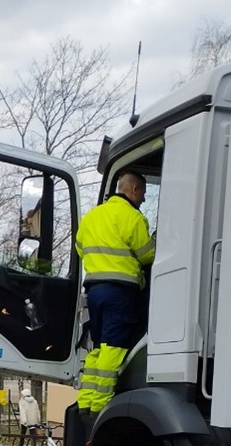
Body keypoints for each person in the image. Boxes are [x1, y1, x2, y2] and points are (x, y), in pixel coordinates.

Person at [74, 171, 155, 426]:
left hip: (95, 291)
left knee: (98, 348)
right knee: (114, 347)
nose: (141, 200)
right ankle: (100, 406)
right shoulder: (132, 217)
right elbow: (147, 256)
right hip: (120, 292)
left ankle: (86, 402)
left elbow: (79, 247)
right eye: (141, 194)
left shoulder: (91, 217)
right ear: (133, 190)